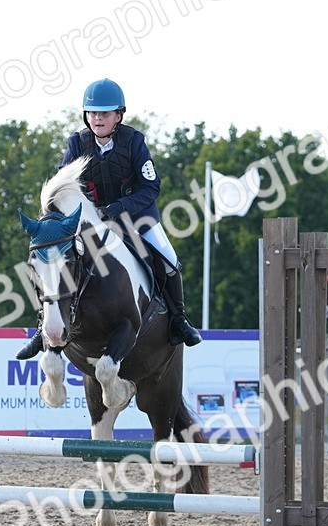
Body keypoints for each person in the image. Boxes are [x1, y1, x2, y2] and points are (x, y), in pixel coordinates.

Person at [16, 78, 201, 359]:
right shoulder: (77, 143)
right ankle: (43, 329)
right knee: (53, 265)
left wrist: (118, 207)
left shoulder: (134, 141)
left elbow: (151, 187)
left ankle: (179, 320)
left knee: (169, 260)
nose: (98, 118)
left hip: (136, 218)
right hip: (92, 223)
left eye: (104, 113)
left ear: (119, 115)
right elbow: (64, 186)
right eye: (92, 113)